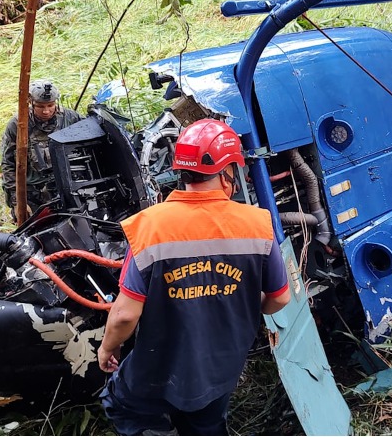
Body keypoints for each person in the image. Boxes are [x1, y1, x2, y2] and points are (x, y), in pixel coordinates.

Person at [98, 119, 292, 436]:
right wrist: (243, 298)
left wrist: (108, 349)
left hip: (157, 372)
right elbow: (280, 297)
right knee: (206, 424)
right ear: (228, 169)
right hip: (219, 373)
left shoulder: (150, 227)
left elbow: (124, 315)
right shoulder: (258, 225)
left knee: (124, 406)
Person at [0, 79, 83, 222]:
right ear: (31, 103)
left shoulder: (70, 118)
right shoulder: (18, 124)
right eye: (40, 106)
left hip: (65, 188)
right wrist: (17, 202)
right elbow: (8, 164)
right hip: (32, 192)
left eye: (50, 105)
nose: (46, 111)